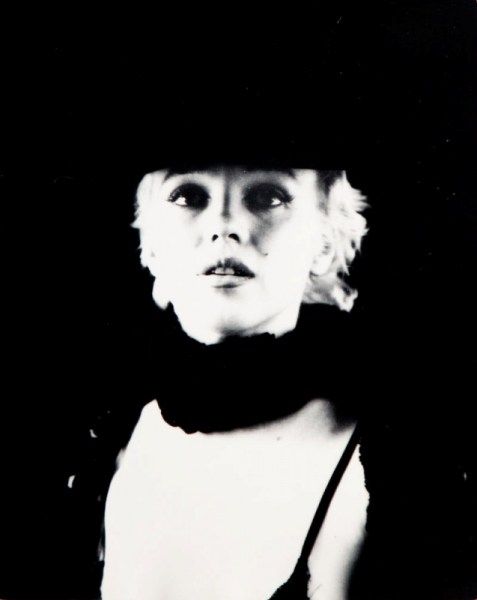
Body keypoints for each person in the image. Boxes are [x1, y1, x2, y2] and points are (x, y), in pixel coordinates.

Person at [100, 166, 369, 600]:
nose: (225, 226)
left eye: (267, 197)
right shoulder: (104, 445)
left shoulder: (387, 467)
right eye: (188, 196)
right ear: (150, 246)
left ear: (322, 243)